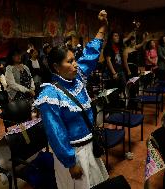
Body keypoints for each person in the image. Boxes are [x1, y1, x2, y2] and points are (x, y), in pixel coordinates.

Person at [34, 10, 109, 189]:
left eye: (74, 59)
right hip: (74, 154)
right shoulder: (49, 96)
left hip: (90, 148)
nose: (75, 64)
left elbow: (91, 54)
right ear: (55, 67)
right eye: (69, 61)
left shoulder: (78, 78)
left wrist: (102, 27)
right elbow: (55, 133)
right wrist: (70, 163)